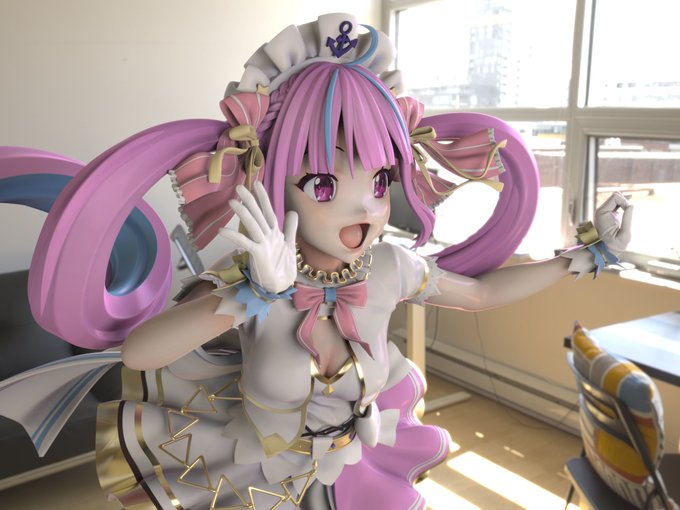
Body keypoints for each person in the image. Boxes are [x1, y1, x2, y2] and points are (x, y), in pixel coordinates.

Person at [0, 13, 631, 510]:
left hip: (355, 474)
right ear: (277, 183)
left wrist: (587, 256)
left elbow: (484, 295)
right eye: (325, 184)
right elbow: (140, 354)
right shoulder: (252, 279)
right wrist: (252, 295)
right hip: (254, 483)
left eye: (380, 181)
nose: (366, 209)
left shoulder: (390, 268)